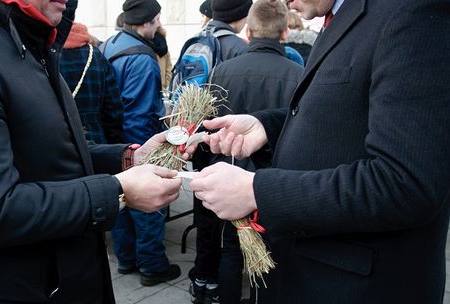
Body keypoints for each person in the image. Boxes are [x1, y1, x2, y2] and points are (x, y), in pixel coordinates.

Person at [0, 0, 191, 303]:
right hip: (13, 288)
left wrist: (128, 158)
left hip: (65, 276)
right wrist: (118, 190)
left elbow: (52, 155)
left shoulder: (27, 41)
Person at [190, 0, 450, 303]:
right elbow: (338, 116)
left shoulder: (411, 12)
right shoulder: (342, 17)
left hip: (354, 287)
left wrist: (256, 191)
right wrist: (266, 127)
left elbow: (405, 182)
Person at [209, 0, 303, 303]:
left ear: (248, 31)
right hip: (273, 179)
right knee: (270, 251)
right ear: (285, 32)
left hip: (230, 172)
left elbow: (212, 123)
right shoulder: (298, 73)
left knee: (231, 250)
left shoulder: (222, 70)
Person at [101, 0, 181, 287]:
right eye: (157, 19)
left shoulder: (109, 44)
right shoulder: (142, 58)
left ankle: (126, 260)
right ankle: (152, 265)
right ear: (146, 21)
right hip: (135, 141)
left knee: (121, 197)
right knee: (148, 204)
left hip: (111, 142)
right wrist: (147, 153)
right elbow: (140, 112)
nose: (159, 25)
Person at [188, 0, 253, 302]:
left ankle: (200, 279)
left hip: (199, 147)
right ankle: (215, 284)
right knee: (224, 228)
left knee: (203, 221)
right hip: (227, 152)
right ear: (242, 15)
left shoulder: (198, 42)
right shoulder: (239, 50)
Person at [60, 22, 124, 144]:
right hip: (96, 139)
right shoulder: (95, 55)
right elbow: (113, 109)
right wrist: (115, 143)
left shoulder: (44, 56)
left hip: (59, 142)